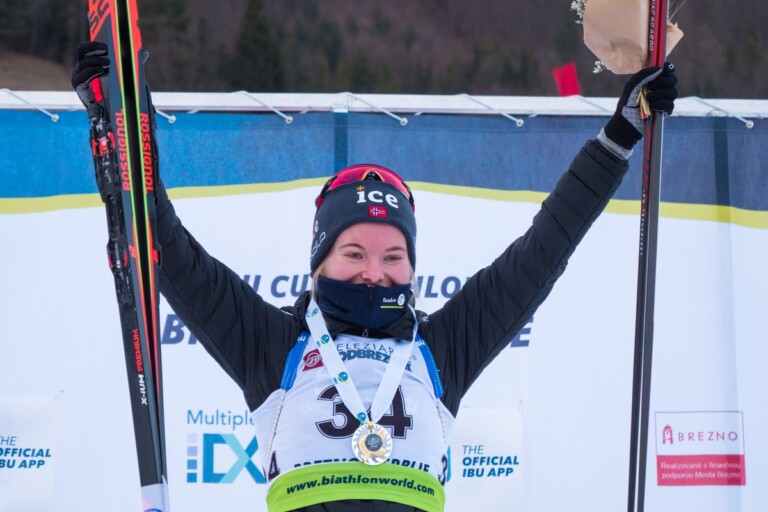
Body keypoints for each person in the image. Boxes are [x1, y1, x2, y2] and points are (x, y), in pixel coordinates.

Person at [73, 41, 677, 512]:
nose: (373, 273)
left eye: (393, 257)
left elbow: (544, 250)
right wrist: (123, 125)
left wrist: (619, 138)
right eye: (354, 253)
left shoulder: (443, 348)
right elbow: (164, 248)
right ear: (320, 262)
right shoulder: (273, 345)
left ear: (412, 268)